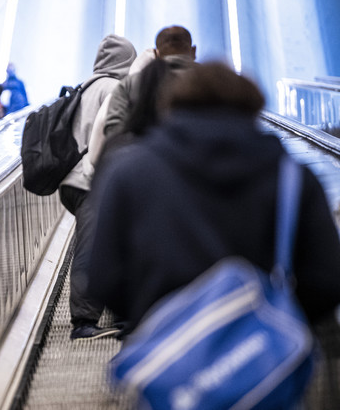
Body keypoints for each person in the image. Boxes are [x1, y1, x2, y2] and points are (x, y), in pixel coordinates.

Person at [74, 62, 340, 340]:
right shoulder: (292, 176)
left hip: (165, 351)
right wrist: (280, 321)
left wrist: (147, 316)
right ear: (254, 109)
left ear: (171, 106)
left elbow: (102, 277)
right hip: (264, 356)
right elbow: (327, 278)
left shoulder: (129, 172)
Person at [55, 34, 137, 340]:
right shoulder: (115, 89)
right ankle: (84, 321)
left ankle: (117, 313)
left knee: (106, 244)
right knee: (93, 248)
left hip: (73, 180)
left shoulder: (86, 85)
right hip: (92, 178)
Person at [104, 25, 197, 140]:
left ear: (156, 54)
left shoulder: (129, 84)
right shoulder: (214, 83)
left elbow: (113, 133)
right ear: (193, 51)